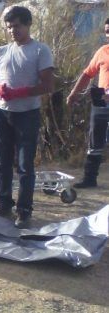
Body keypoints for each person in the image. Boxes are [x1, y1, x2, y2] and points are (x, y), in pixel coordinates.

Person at [0, 7, 54, 228]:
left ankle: (24, 210)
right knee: (2, 163)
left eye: (16, 26)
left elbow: (48, 85)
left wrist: (21, 92)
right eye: (9, 27)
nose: (12, 31)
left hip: (27, 115)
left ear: (28, 24)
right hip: (2, 113)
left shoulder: (40, 50)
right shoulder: (1, 51)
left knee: (25, 165)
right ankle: (4, 203)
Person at [65, 18, 109, 188]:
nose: (108, 34)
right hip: (102, 102)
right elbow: (87, 74)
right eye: (107, 31)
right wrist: (74, 93)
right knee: (95, 140)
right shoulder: (102, 51)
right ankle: (90, 178)